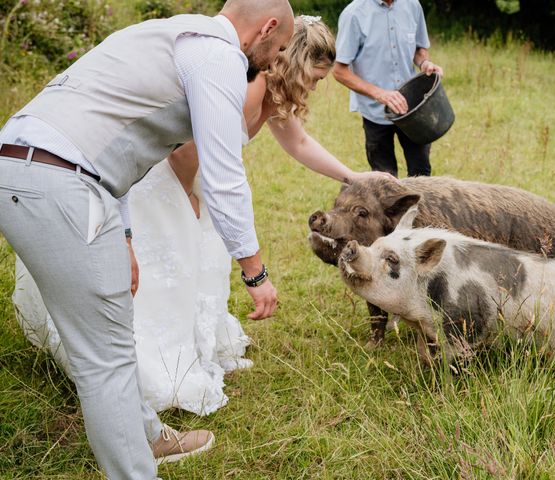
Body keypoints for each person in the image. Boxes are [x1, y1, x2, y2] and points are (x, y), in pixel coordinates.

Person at [12, 14, 394, 421]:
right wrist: (189, 201)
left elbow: (298, 143)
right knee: (166, 265)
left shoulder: (273, 96)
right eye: (316, 77)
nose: (317, 86)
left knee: (198, 268)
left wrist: (353, 177)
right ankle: (150, 366)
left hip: (202, 184)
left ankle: (186, 347)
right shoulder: (246, 86)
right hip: (172, 181)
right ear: (296, 62)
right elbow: (184, 150)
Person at [0, 1, 294, 478]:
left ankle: (150, 437)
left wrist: (126, 237)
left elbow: (104, 147)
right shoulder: (218, 56)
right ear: (267, 28)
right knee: (105, 359)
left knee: (106, 339)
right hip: (59, 184)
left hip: (27, 167)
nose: (275, 60)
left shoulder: (168, 34)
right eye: (278, 49)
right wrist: (254, 270)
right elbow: (222, 173)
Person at [333, 0, 444, 178]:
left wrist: (425, 63)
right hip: (375, 112)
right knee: (384, 178)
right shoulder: (353, 14)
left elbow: (419, 48)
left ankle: (419, 207)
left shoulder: (413, 5)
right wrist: (380, 94)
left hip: (412, 108)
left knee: (421, 173)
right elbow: (339, 71)